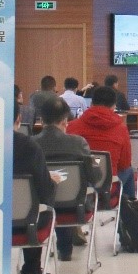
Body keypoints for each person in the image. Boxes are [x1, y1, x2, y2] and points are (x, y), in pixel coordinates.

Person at [33, 95, 91, 260]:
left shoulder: (31, 144)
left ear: (41, 120)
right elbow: (95, 176)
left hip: (40, 207)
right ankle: (65, 249)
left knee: (54, 196)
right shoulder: (79, 143)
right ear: (65, 121)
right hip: (75, 207)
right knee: (66, 192)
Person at [13, 101, 56, 274]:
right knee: (39, 204)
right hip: (27, 223)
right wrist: (52, 182)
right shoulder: (29, 146)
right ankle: (31, 271)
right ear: (18, 119)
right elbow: (44, 189)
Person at [67, 84, 135, 198]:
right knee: (129, 171)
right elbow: (124, 163)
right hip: (108, 187)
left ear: (91, 103)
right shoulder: (121, 128)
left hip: (78, 188)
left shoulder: (72, 126)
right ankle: (129, 206)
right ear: (114, 106)